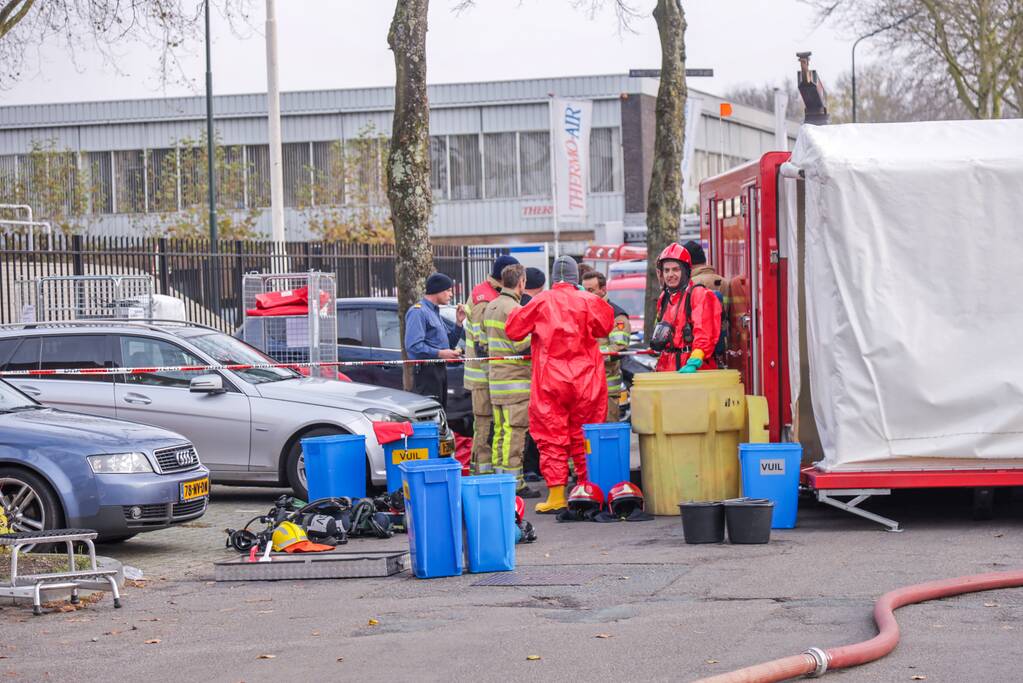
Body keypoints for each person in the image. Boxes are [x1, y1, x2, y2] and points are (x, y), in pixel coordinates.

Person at [506, 256, 614, 513]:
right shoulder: (589, 300)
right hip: (587, 378)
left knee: (551, 436)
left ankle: (556, 495)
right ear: (576, 277)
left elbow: (513, 329)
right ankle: (588, 490)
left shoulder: (540, 301)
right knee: (585, 434)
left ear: (553, 277)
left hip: (550, 380)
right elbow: (605, 326)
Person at [482, 264, 540, 498]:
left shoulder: (491, 306)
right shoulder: (515, 309)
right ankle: (515, 482)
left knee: (500, 432)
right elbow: (518, 345)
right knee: (515, 433)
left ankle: (500, 477)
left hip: (496, 381)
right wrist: (535, 333)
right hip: (515, 382)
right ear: (521, 282)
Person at [463, 255, 519, 474]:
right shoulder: (484, 298)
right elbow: (480, 343)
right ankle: (483, 473)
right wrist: (493, 374)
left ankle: (487, 471)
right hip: (483, 376)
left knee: (491, 426)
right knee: (485, 425)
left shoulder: (491, 293)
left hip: (488, 374)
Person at [652, 243, 722, 373]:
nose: (670, 274)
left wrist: (694, 362)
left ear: (685, 271)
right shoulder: (664, 298)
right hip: (668, 368)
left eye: (675, 269)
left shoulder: (699, 294)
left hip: (695, 369)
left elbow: (704, 333)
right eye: (666, 270)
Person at [404, 272, 466, 407]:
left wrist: (458, 323)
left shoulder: (434, 311)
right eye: (448, 290)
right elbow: (413, 348)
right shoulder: (418, 312)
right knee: (430, 415)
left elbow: (448, 344)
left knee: (440, 412)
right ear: (437, 290)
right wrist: (441, 354)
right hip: (427, 373)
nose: (451, 294)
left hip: (440, 370)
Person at [582, 270, 632, 422]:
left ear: (603, 290)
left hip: (607, 388)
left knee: (607, 430)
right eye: (584, 290)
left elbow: (618, 347)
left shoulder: (616, 315)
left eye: (591, 290)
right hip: (586, 386)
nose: (586, 294)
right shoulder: (584, 311)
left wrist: (591, 354)